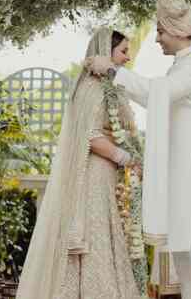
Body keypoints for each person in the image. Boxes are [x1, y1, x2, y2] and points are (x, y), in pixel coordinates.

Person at [90, 0, 191, 299]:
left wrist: (113, 71)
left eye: (160, 31)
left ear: (179, 31)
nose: (157, 39)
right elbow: (155, 96)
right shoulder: (183, 66)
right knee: (183, 250)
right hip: (181, 171)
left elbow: (159, 92)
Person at [16, 28, 147, 299]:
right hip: (95, 176)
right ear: (104, 52)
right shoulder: (91, 87)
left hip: (109, 175)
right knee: (97, 242)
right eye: (123, 51)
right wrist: (126, 157)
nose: (128, 57)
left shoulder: (109, 85)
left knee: (111, 240)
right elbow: (90, 134)